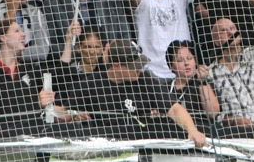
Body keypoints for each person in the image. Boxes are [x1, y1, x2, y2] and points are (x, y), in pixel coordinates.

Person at [75, 38, 207, 146]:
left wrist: (192, 130)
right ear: (116, 65)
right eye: (134, 66)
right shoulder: (90, 84)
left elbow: (174, 108)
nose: (139, 69)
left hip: (143, 145)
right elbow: (65, 112)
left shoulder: (145, 79)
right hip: (108, 146)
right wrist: (75, 115)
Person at [0, 19, 79, 127]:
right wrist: (36, 102)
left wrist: (68, 40)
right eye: (17, 31)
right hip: (2, 137)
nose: (23, 34)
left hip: (33, 135)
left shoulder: (29, 71)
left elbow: (61, 73)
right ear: (3, 38)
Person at [208, 11, 254, 130]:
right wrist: (232, 121)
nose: (230, 32)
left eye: (232, 28)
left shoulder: (252, 57)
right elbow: (214, 114)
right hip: (239, 138)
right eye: (223, 31)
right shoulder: (211, 73)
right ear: (216, 41)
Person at [166, 40, 219, 132]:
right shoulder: (165, 87)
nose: (186, 63)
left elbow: (213, 113)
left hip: (202, 131)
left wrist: (203, 82)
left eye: (189, 58)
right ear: (171, 66)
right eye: (180, 60)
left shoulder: (204, 83)